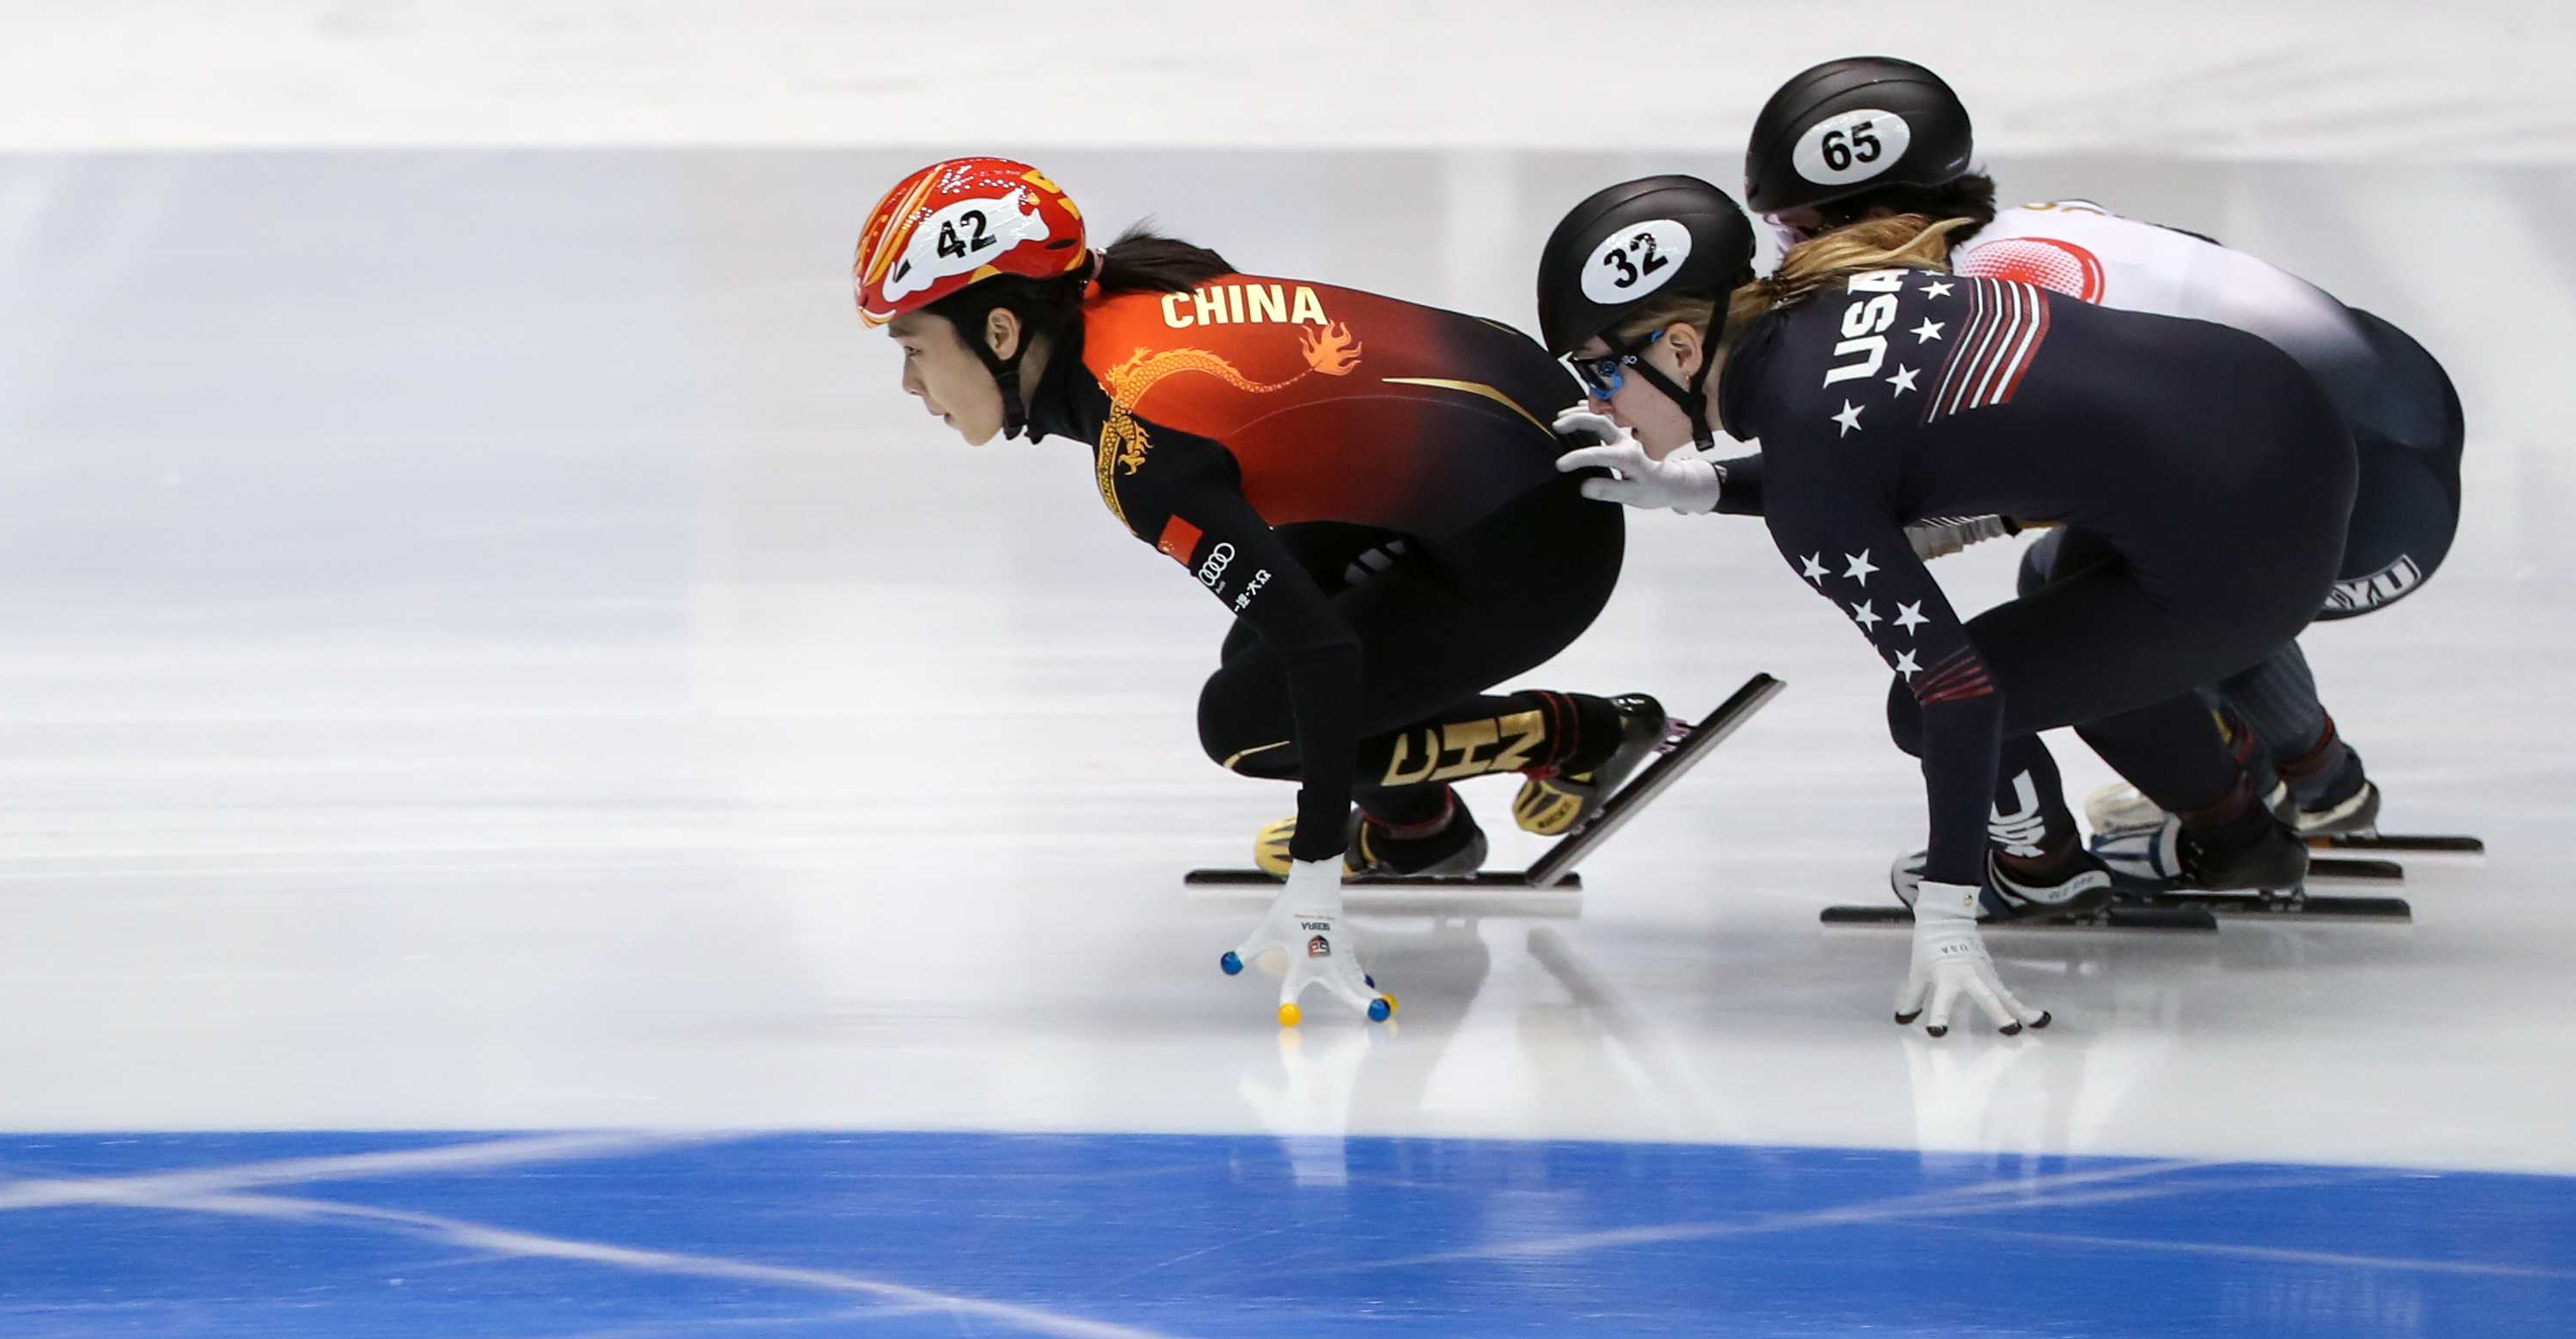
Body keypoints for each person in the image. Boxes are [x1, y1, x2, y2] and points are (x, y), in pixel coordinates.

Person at [1537, 175, 2353, 1035]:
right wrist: (1688, 485)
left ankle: (2039, 868)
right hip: (2280, 416)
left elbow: (1956, 692)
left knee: (1924, 711)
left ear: (1678, 350)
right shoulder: (1837, 290)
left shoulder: (1814, 475)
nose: (1597, 401)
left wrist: (1949, 915)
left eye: (1599, 369)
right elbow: (1859, 447)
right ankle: (2237, 831)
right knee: (2063, 607)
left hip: (2247, 549)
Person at [854, 157, 1661, 1025]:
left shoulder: (1139, 446)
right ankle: (1421, 829)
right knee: (1256, 655)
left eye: (913, 348)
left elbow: (1327, 652)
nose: (909, 385)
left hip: (1537, 541)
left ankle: (1583, 731)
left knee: (1248, 727)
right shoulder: (1128, 289)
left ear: (1002, 332)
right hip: (1490, 458)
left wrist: (1316, 876)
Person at [1742, 55, 2463, 841]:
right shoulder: (2026, 230)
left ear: (1862, 219)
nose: (1788, 260)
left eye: (1795, 231)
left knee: (2098, 597)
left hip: (2369, 499)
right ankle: (2321, 779)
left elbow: (2072, 457)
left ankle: (2238, 796)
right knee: (2120, 566)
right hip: (2397, 410)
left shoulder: (1982, 296)